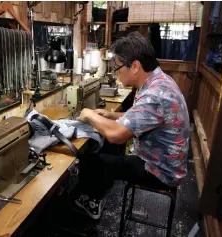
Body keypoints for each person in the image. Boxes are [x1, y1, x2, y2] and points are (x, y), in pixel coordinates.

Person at [75, 32, 190, 220]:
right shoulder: (159, 81)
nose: (116, 72)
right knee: (106, 147)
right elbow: (144, 117)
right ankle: (100, 188)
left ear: (135, 66)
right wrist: (112, 115)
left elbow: (117, 134)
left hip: (160, 170)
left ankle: (90, 202)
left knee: (91, 159)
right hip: (165, 160)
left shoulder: (155, 95)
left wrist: (88, 113)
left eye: (118, 67)